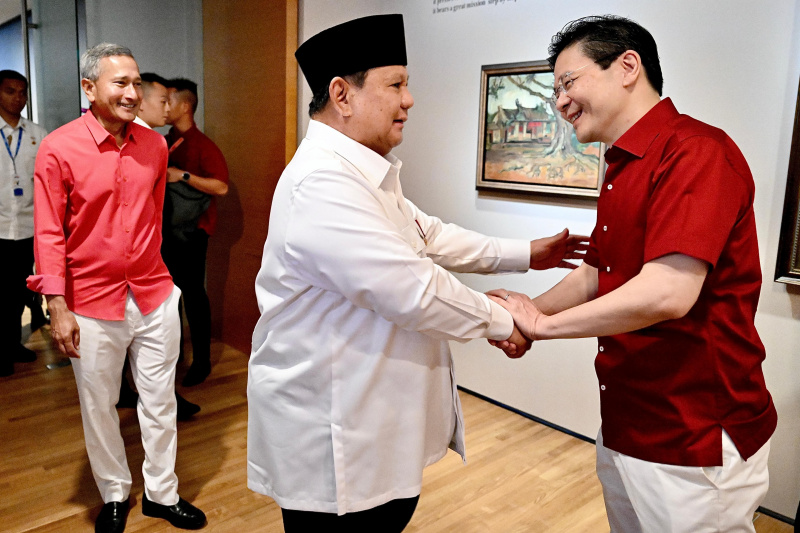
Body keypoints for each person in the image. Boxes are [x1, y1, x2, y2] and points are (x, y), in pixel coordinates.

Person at [247, 14, 587, 532]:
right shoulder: (321, 183)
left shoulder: (361, 170)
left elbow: (426, 234)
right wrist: (504, 320)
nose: (409, 100)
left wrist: (526, 253)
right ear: (342, 94)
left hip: (372, 412)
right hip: (334, 427)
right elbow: (410, 287)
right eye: (396, 85)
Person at [490, 15, 777, 533]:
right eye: (555, 88)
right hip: (627, 420)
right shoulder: (621, 164)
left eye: (568, 82)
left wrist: (541, 326)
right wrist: (525, 313)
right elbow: (600, 270)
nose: (559, 102)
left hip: (692, 433)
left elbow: (668, 290)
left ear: (627, 67)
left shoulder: (697, 152)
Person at [27, 43, 206, 533]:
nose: (133, 93)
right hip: (89, 301)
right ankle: (112, 492)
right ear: (90, 89)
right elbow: (49, 231)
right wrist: (56, 304)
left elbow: (152, 217)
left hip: (153, 293)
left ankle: (162, 493)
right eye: (120, 83)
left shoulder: (153, 144)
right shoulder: (59, 147)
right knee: (99, 403)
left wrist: (167, 285)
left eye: (136, 84)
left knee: (160, 400)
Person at [131, 72, 201, 420]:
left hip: (158, 248)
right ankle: (157, 400)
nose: (167, 106)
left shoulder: (155, 142)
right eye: (162, 100)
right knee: (151, 342)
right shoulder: (140, 141)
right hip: (146, 255)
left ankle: (158, 398)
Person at [161, 77, 228, 387]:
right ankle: (173, 358)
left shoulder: (203, 145)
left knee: (193, 294)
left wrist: (182, 175)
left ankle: (201, 361)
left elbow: (221, 187)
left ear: (184, 106)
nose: (164, 105)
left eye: (169, 100)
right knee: (169, 297)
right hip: (168, 230)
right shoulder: (166, 139)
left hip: (193, 232)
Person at [0, 69, 47, 377]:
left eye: (22, 92)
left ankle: (12, 345)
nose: (18, 98)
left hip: (28, 228)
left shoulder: (38, 134)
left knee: (18, 291)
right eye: (9, 91)